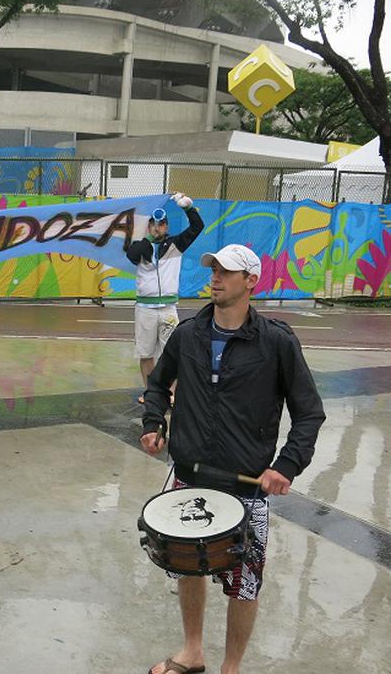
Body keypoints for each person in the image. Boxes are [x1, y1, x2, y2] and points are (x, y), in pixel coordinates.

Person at [140, 244, 325, 674]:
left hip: (245, 485)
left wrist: (287, 465)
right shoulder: (188, 334)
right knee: (188, 567)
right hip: (188, 475)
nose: (216, 277)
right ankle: (192, 651)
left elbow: (309, 412)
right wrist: (155, 423)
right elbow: (157, 384)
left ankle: (231, 667)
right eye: (214, 269)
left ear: (251, 281)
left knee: (245, 583)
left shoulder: (276, 342)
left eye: (228, 271)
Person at [126, 193, 204, 404]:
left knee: (172, 353)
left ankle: (171, 393)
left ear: (167, 227)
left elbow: (197, 227)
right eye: (153, 224)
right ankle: (151, 392)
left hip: (168, 309)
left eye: (161, 224)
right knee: (146, 353)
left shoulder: (175, 245)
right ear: (149, 226)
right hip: (145, 309)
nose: (157, 228)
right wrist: (149, 239)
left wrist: (188, 208)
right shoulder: (141, 246)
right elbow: (132, 256)